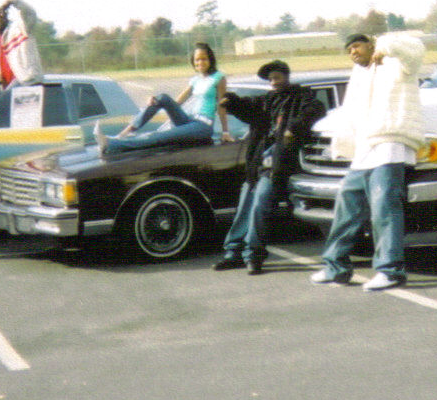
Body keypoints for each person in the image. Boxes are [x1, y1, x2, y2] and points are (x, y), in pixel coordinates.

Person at [311, 32, 426, 291]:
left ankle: (390, 271)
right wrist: (345, 145)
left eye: (357, 46)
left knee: (384, 206)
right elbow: (352, 113)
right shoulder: (358, 74)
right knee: (347, 205)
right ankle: (336, 267)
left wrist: (385, 46)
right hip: (365, 148)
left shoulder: (396, 62)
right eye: (349, 49)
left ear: (371, 44)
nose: (353, 52)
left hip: (390, 143)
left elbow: (416, 48)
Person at [215, 60, 327, 275]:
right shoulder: (267, 101)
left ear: (287, 77)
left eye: (277, 77)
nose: (274, 82)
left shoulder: (301, 97)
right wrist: (232, 101)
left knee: (260, 206)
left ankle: (253, 256)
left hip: (278, 165)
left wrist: (294, 127)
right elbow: (247, 107)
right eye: (270, 79)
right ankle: (233, 253)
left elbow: (316, 110)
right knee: (244, 206)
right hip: (257, 165)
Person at [96, 42, 231, 158]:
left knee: (160, 136)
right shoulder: (195, 80)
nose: (200, 62)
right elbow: (177, 102)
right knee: (162, 98)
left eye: (204, 59)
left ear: (210, 59)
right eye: (197, 60)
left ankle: (111, 144)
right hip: (189, 120)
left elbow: (222, 106)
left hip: (202, 126)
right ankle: (123, 133)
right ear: (193, 62)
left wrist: (225, 132)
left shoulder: (219, 77)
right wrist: (155, 101)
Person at [0, 0, 45, 87]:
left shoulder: (20, 28)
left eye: (1, 16)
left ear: (7, 18)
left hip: (27, 82)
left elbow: (29, 14)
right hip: (9, 87)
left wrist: (12, 1)